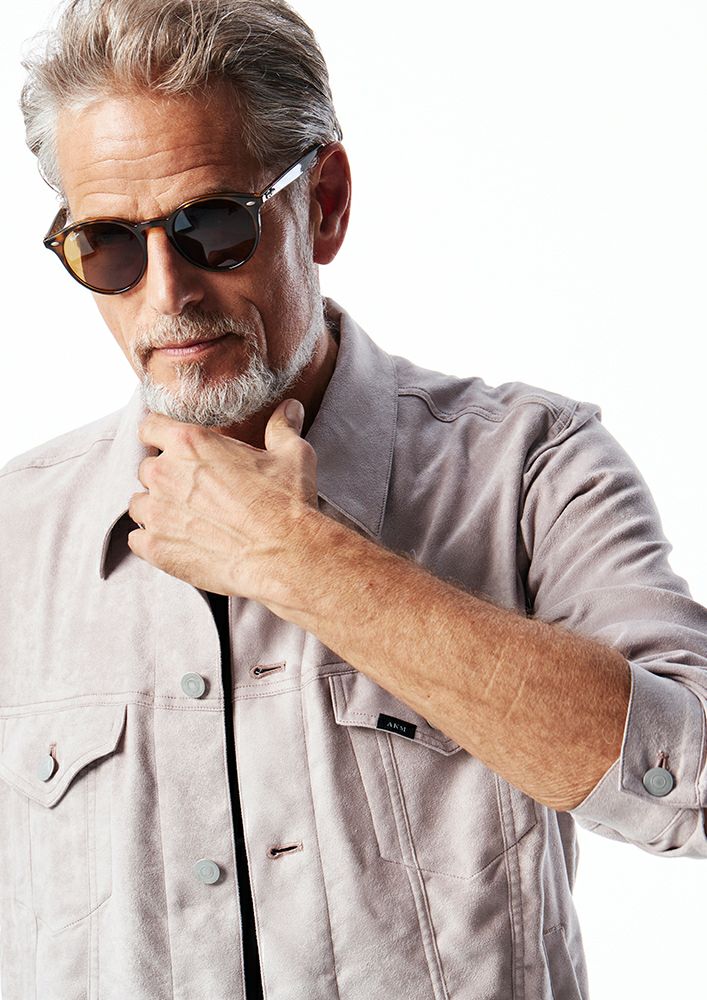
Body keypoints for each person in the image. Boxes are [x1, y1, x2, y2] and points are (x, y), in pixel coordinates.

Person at [1, 1, 705, 998]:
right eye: (108, 244)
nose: (166, 295)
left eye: (212, 226)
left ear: (323, 204)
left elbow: (691, 783)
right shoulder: (13, 537)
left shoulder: (532, 467)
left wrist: (302, 560)